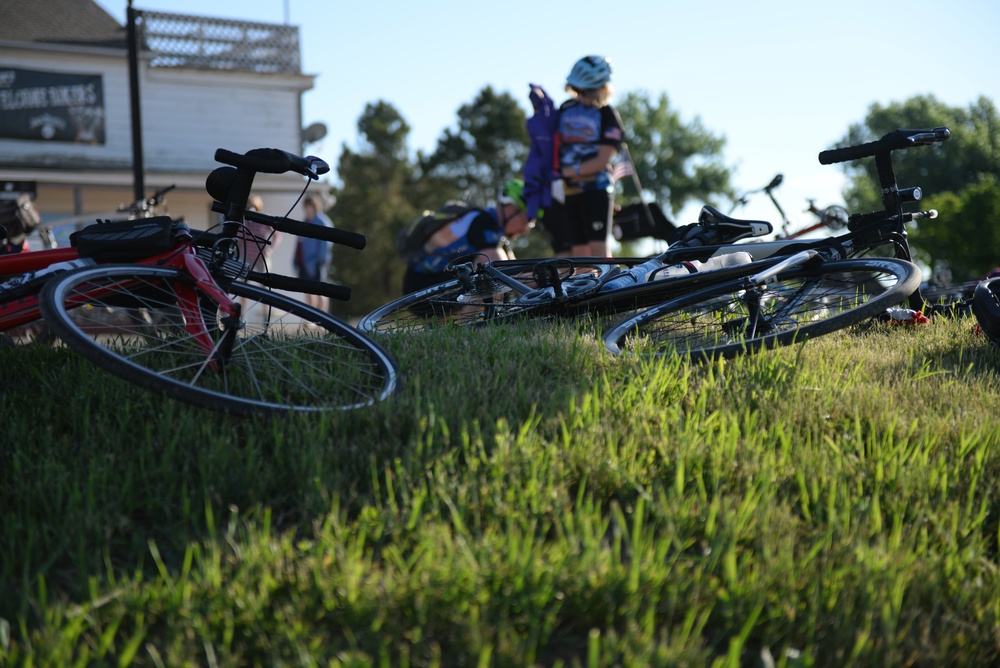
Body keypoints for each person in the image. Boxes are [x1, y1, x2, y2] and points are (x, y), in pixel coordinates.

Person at [402, 180, 536, 295]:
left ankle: (469, 323)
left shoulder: (495, 232)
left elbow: (517, 273)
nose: (526, 230)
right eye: (527, 220)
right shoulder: (482, 223)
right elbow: (505, 273)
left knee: (487, 270)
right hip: (421, 284)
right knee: (488, 271)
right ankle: (476, 324)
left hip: (430, 282)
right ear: (510, 209)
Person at [555, 55, 625, 258]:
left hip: (596, 190)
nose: (581, 96)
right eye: (577, 90)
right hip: (570, 192)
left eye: (587, 91)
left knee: (599, 254)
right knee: (579, 257)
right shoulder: (566, 109)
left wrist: (567, 171)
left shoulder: (607, 115)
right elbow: (555, 146)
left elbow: (602, 160)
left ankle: (613, 288)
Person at [295, 195, 333, 312]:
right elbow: (300, 243)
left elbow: (326, 244)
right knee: (308, 290)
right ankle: (312, 317)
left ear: (314, 207)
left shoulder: (322, 222)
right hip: (305, 262)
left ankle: (322, 318)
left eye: (309, 207)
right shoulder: (305, 221)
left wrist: (319, 261)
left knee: (321, 290)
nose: (307, 209)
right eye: (305, 207)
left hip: (318, 262)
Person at [239, 194, 280, 271]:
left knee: (264, 278)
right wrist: (245, 223)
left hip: (261, 256)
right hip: (247, 255)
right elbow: (240, 238)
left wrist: (270, 249)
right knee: (244, 278)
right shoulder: (245, 220)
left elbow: (277, 235)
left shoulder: (263, 218)